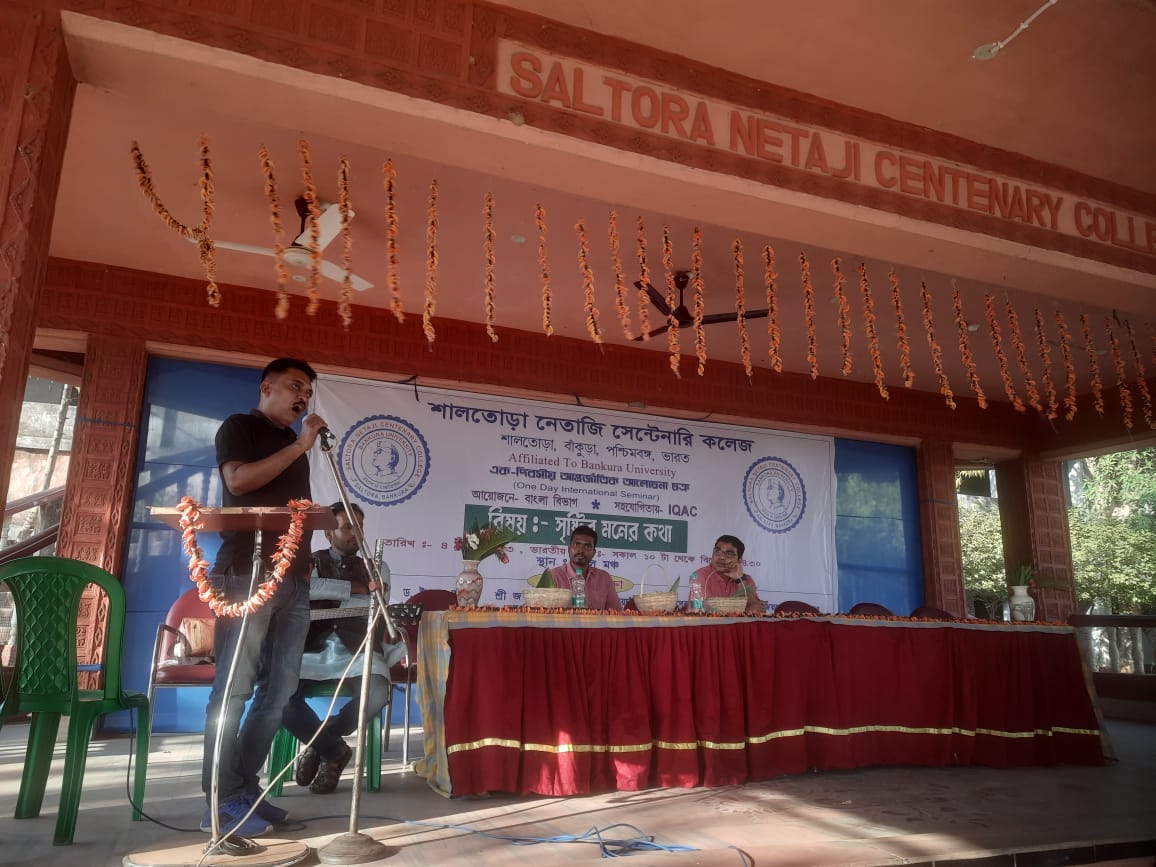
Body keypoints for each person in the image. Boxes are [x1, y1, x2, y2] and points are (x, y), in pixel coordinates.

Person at [200, 357, 326, 838]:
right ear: (266, 387)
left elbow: (295, 513)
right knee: (234, 688)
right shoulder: (240, 427)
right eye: (295, 386)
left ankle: (243, 789)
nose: (302, 398)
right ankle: (219, 799)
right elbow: (237, 482)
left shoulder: (298, 447)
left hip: (293, 578)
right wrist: (299, 445)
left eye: (307, 392)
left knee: (280, 692)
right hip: (247, 574)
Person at [284, 500, 404, 794]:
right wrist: (354, 589)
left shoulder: (377, 567)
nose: (356, 533)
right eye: (348, 527)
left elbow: (377, 601)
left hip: (360, 649)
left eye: (360, 526)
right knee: (279, 698)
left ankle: (321, 743)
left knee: (378, 694)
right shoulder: (309, 563)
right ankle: (335, 751)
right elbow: (307, 590)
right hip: (312, 650)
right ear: (329, 533)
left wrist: (335, 592)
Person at [546, 525, 622, 611]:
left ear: (594, 552)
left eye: (587, 546)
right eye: (577, 544)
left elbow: (616, 613)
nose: (581, 550)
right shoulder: (553, 576)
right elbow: (541, 612)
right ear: (569, 548)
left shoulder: (604, 578)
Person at [691, 535, 765, 615]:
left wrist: (740, 580)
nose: (721, 557)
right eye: (718, 551)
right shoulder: (699, 575)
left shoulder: (746, 579)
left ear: (739, 560)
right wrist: (745, 610)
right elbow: (704, 608)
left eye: (729, 554)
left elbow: (757, 610)